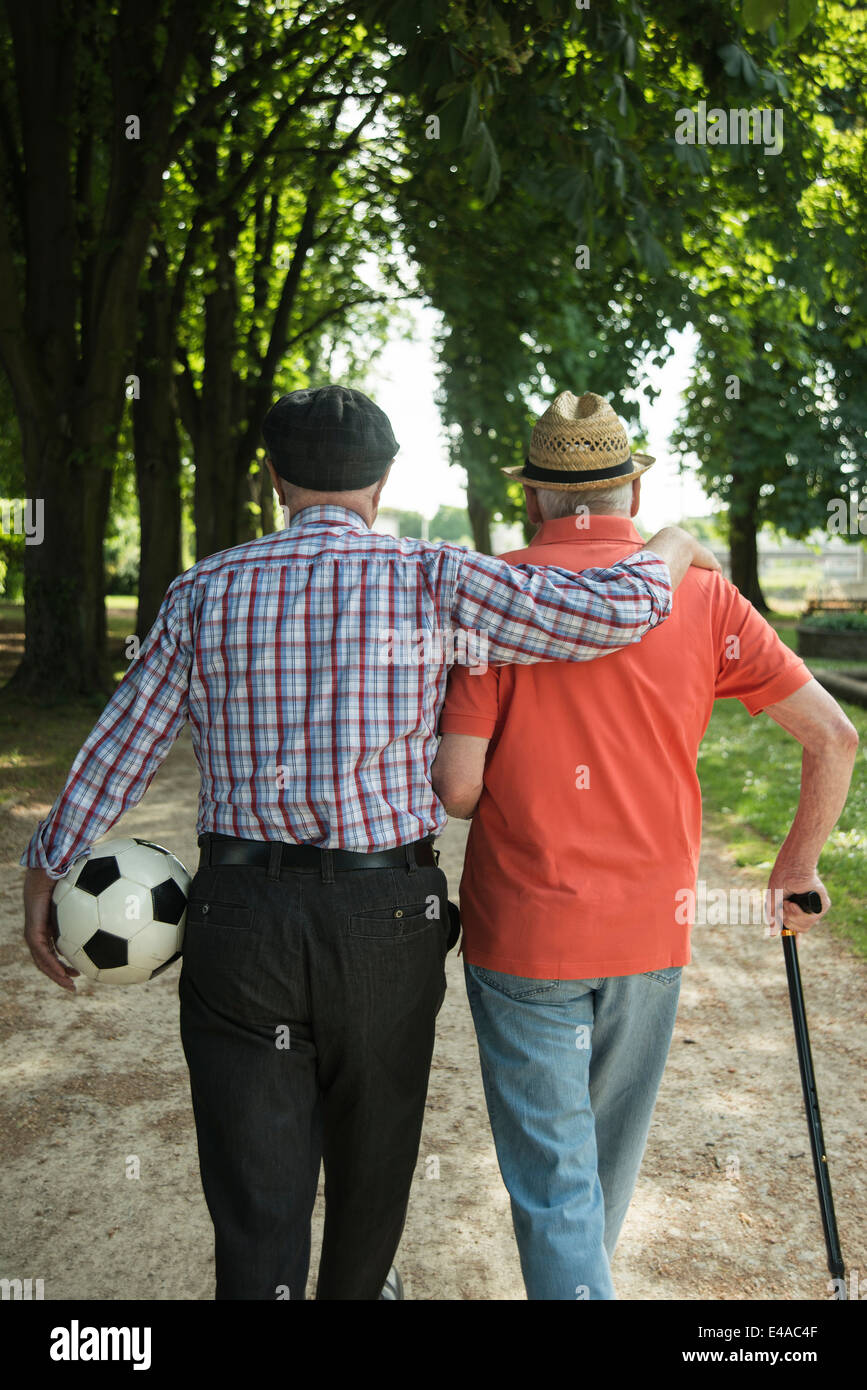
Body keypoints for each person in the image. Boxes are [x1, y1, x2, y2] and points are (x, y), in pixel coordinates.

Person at [21, 385, 717, 1301]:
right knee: (373, 1176)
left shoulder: (204, 589)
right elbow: (611, 613)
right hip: (385, 920)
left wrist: (49, 861)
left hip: (241, 920)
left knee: (255, 1203)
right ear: (382, 484)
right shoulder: (436, 577)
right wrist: (670, 544)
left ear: (274, 479)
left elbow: (123, 746)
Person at [432, 389, 859, 1301]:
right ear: (629, 489)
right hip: (649, 933)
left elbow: (458, 790)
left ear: (536, 499)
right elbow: (833, 736)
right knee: (595, 1180)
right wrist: (795, 867)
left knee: (556, 1187)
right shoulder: (704, 597)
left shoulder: (494, 594)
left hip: (524, 932)